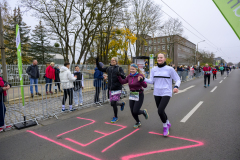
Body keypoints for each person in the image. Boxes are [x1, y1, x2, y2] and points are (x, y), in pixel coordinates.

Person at [138, 53, 181, 136]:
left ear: (165, 59)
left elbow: (178, 79)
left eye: (161, 57)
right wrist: (143, 79)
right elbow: (151, 81)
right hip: (157, 92)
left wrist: (176, 86)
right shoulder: (154, 69)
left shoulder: (170, 69)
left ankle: (165, 126)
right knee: (161, 111)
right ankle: (167, 122)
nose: (159, 59)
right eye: (158, 58)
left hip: (166, 92)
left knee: (160, 110)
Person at [117, 64, 149, 128]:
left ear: (136, 69)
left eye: (133, 69)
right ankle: (138, 122)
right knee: (132, 111)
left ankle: (143, 112)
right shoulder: (129, 76)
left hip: (139, 94)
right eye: (131, 69)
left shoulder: (140, 75)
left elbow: (145, 86)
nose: (131, 70)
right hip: (132, 94)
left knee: (135, 110)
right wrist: (119, 76)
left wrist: (141, 81)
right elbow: (123, 82)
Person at [96, 57, 126, 123]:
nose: (112, 61)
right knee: (112, 104)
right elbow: (100, 69)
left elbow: (124, 76)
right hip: (110, 88)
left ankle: (115, 116)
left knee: (113, 103)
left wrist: (120, 74)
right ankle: (121, 104)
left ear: (116, 61)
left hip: (117, 88)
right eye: (111, 60)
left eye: (113, 60)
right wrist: (97, 62)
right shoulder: (108, 68)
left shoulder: (119, 68)